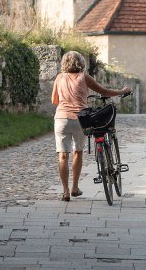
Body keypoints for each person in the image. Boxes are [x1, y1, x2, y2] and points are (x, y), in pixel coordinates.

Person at [51, 51, 130, 202]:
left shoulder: (59, 77)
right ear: (81, 62)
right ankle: (75, 187)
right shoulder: (83, 76)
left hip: (61, 119)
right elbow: (104, 91)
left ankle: (65, 192)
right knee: (77, 152)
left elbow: (54, 100)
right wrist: (122, 91)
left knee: (62, 155)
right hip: (80, 119)